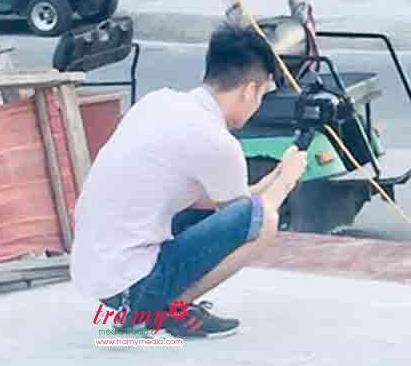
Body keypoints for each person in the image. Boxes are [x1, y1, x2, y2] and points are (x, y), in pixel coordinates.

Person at [71, 25, 308, 340]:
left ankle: (154, 306)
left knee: (244, 210)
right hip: (132, 286)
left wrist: (272, 177)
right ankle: (165, 311)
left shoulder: (159, 103)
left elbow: (215, 203)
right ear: (249, 90)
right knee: (265, 221)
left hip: (99, 274)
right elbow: (251, 218)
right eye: (262, 94)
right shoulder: (218, 142)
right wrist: (287, 181)